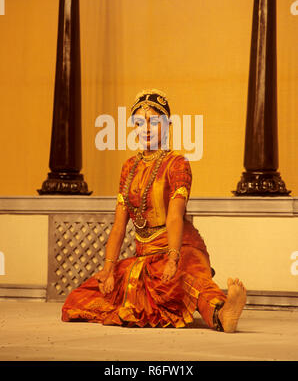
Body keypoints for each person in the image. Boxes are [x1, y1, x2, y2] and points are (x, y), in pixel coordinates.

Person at [61, 89, 246, 332]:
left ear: (168, 125)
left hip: (180, 246)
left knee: (186, 278)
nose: (146, 129)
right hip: (145, 256)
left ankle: (223, 313)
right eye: (139, 123)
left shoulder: (177, 163)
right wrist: (108, 268)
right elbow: (119, 225)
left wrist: (172, 258)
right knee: (81, 298)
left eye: (154, 122)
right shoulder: (129, 167)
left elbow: (174, 215)